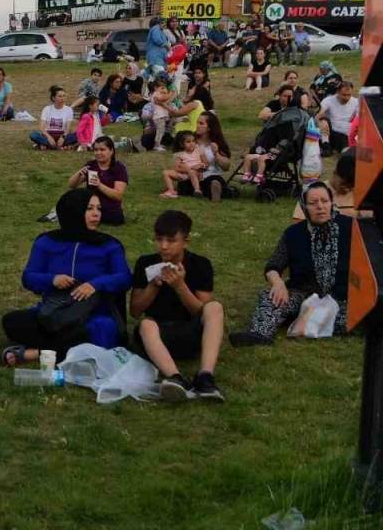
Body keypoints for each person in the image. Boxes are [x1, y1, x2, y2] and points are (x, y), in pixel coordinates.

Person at [1, 189, 133, 367]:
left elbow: (124, 277)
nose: (96, 214)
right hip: (55, 312)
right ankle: (68, 350)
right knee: (13, 322)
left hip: (93, 314)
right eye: (89, 209)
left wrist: (96, 284)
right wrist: (52, 279)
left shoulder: (109, 245)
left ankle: (36, 353)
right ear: (74, 210)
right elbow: (29, 277)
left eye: (99, 209)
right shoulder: (46, 242)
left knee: (102, 330)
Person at [231, 182, 352, 346]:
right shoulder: (293, 234)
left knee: (356, 316)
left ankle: (308, 318)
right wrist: (278, 282)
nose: (320, 207)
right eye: (313, 203)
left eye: (325, 201)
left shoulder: (350, 227)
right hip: (302, 293)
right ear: (304, 206)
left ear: (332, 203)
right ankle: (260, 333)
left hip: (340, 297)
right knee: (271, 297)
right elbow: (274, 265)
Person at [130, 210, 227, 402]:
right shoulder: (146, 263)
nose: (164, 246)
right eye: (159, 239)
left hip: (192, 333)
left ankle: (205, 376)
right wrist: (153, 286)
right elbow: (135, 311)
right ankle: (176, 378)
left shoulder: (200, 264)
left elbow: (202, 313)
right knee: (146, 324)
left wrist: (180, 286)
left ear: (185, 241)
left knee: (215, 308)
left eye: (171, 240)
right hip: (157, 336)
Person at [64, 136, 128, 225]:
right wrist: (78, 173)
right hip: (91, 207)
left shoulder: (119, 168)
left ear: (111, 151)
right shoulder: (91, 165)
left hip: (110, 211)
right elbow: (71, 185)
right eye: (96, 150)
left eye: (102, 150)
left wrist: (99, 185)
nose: (98, 153)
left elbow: (118, 195)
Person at [294, 147, 356, 220]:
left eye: (351, 186)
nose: (347, 189)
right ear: (335, 173)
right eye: (344, 184)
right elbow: (298, 224)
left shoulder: (363, 195)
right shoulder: (313, 192)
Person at [195, 112, 233, 202]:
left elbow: (226, 167)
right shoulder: (191, 141)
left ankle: (215, 191)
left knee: (214, 180)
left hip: (212, 175)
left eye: (201, 123)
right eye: (197, 122)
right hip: (194, 175)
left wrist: (216, 153)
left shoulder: (217, 143)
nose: (197, 125)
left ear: (209, 127)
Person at [159, 130, 206, 199]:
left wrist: (201, 165)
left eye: (193, 141)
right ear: (181, 144)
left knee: (191, 172)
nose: (192, 143)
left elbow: (205, 162)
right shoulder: (180, 154)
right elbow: (176, 168)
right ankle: (171, 190)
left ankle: (197, 190)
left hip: (196, 173)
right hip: (184, 173)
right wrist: (185, 169)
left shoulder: (198, 149)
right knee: (165, 172)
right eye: (188, 142)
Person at [317, 81, 359, 155]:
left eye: (349, 95)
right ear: (338, 92)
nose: (347, 98)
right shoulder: (328, 100)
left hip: (346, 133)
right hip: (331, 131)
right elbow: (319, 114)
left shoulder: (356, 102)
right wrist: (319, 122)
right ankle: (326, 146)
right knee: (323, 120)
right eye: (344, 95)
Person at [31, 85, 76, 150]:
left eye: (64, 96)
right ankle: (59, 146)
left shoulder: (69, 110)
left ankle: (45, 146)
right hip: (48, 134)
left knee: (77, 135)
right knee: (33, 135)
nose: (62, 98)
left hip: (62, 134)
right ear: (53, 98)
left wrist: (62, 137)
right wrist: (49, 137)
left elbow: (67, 129)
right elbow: (42, 128)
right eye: (60, 96)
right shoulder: (47, 109)